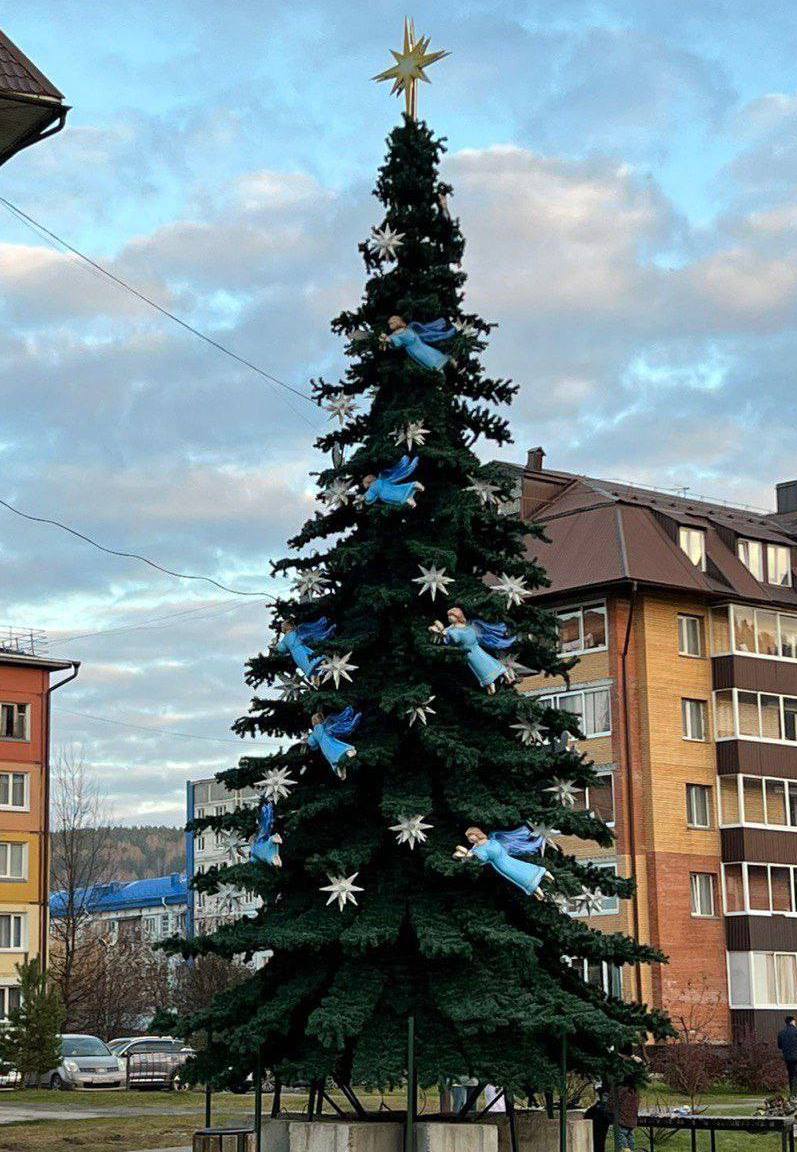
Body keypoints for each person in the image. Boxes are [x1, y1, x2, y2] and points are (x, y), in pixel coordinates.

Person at [610, 1073, 639, 1151]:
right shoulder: (635, 1092)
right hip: (632, 1122)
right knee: (631, 1144)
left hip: (622, 1121)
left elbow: (613, 1103)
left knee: (623, 1146)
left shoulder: (622, 1090)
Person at [584, 1085, 612, 1152]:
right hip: (598, 1129)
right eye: (605, 1096)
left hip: (598, 1130)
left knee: (599, 1144)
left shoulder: (595, 1108)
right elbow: (608, 1118)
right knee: (599, 1145)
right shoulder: (600, 1108)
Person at [777, 1015, 797, 1097]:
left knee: (791, 1074)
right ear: (792, 1021)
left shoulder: (781, 1033)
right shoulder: (796, 1031)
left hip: (787, 1057)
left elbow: (779, 1046)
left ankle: (792, 1092)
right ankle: (795, 1093)